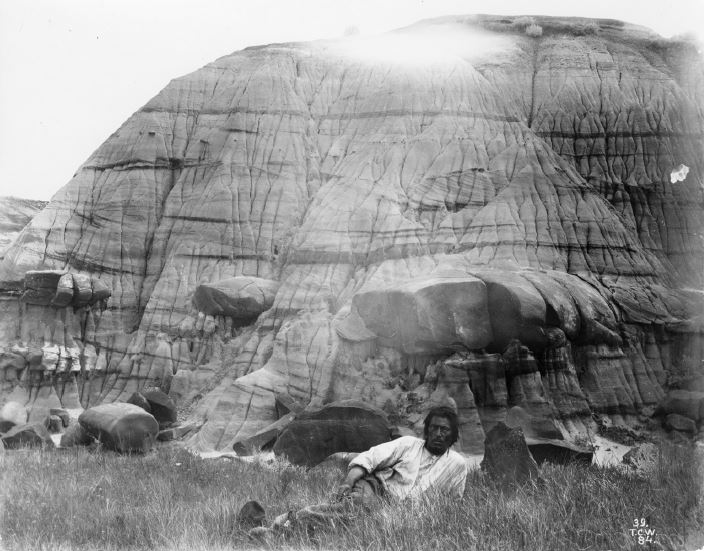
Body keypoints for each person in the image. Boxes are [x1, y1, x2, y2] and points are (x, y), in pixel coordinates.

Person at [248, 406, 468, 538]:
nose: (438, 433)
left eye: (445, 430)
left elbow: (453, 504)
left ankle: (282, 524)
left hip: (407, 512)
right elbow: (369, 458)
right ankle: (278, 529)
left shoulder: (457, 465)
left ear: (453, 435)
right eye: (434, 428)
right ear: (427, 429)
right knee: (354, 511)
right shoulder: (409, 444)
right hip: (376, 490)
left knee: (351, 526)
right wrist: (347, 483)